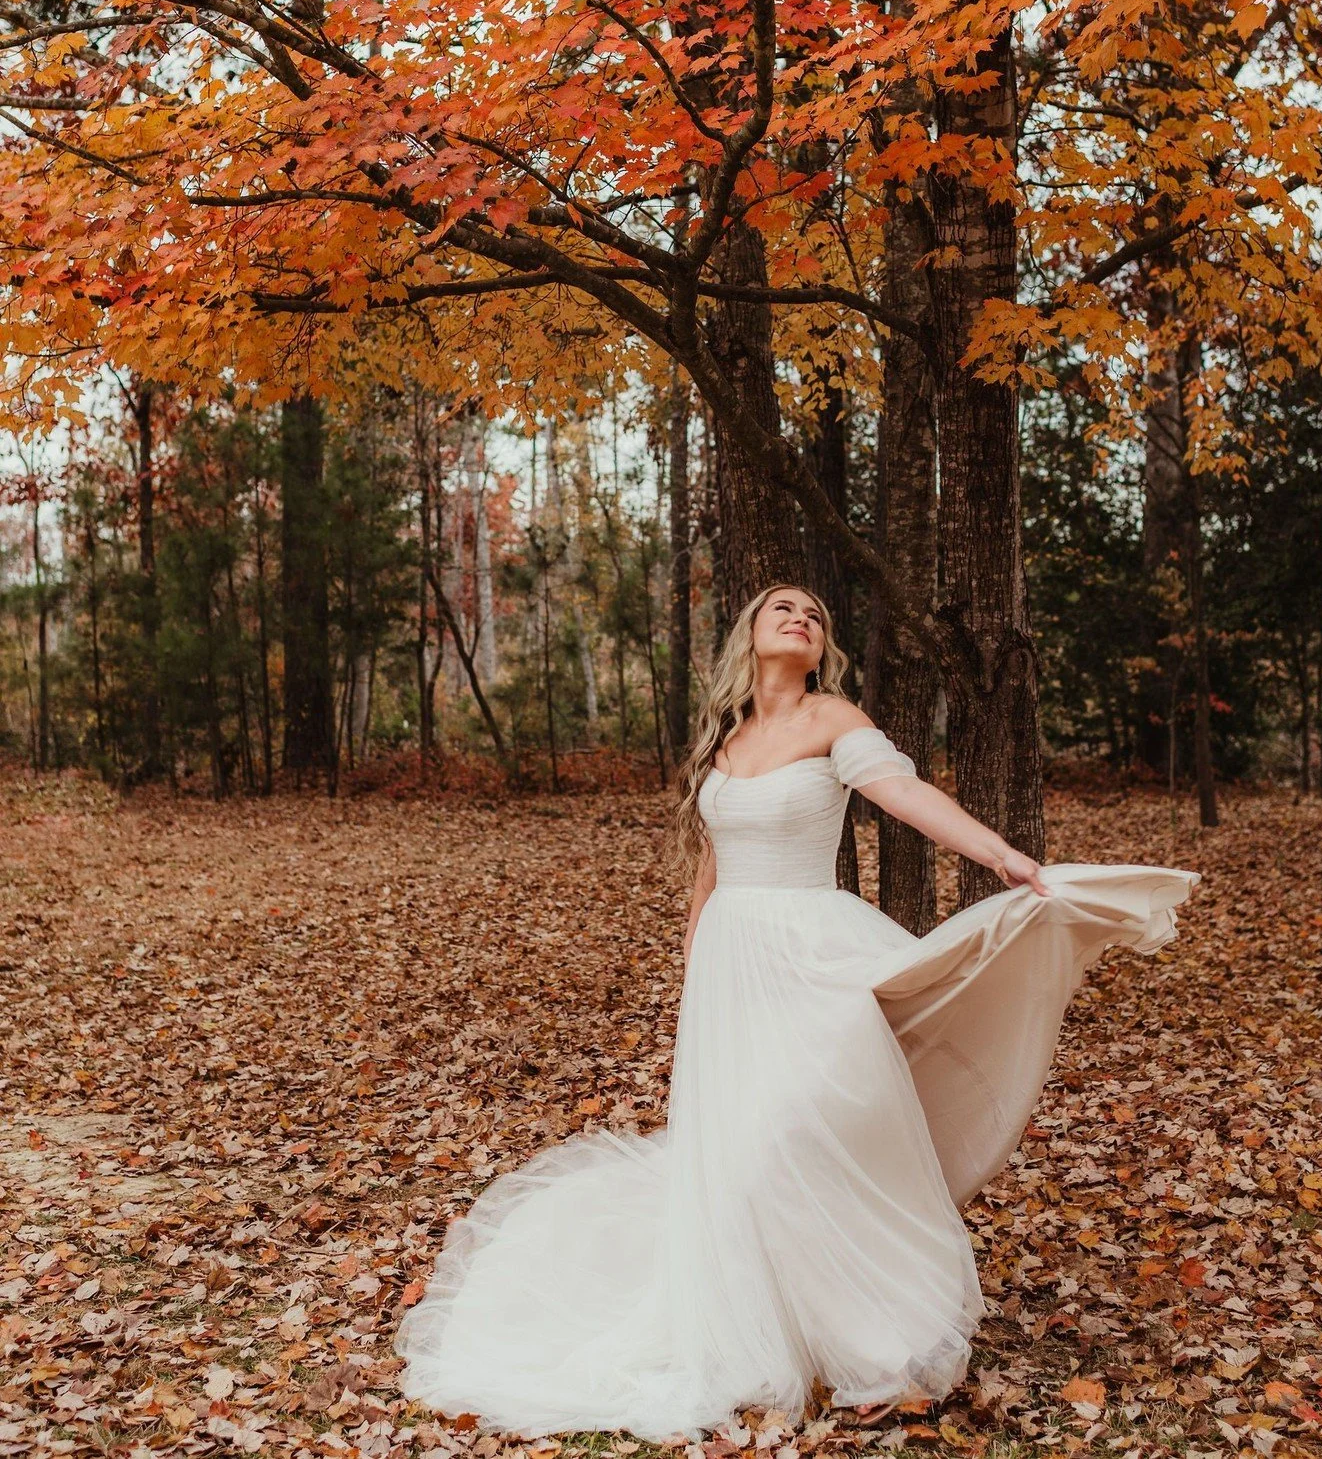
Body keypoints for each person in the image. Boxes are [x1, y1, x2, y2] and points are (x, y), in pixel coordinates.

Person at [396, 584, 1196, 1440]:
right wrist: (692, 966)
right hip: (731, 966)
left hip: (814, 948)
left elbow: (906, 796)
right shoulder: (725, 740)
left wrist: (999, 853)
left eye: (815, 614)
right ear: (751, 630)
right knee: (741, 1150)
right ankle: (783, 1327)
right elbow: (711, 866)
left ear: (822, 648)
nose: (800, 618)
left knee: (806, 1126)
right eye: (783, 607)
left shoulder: (833, 719)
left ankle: (881, 1341)